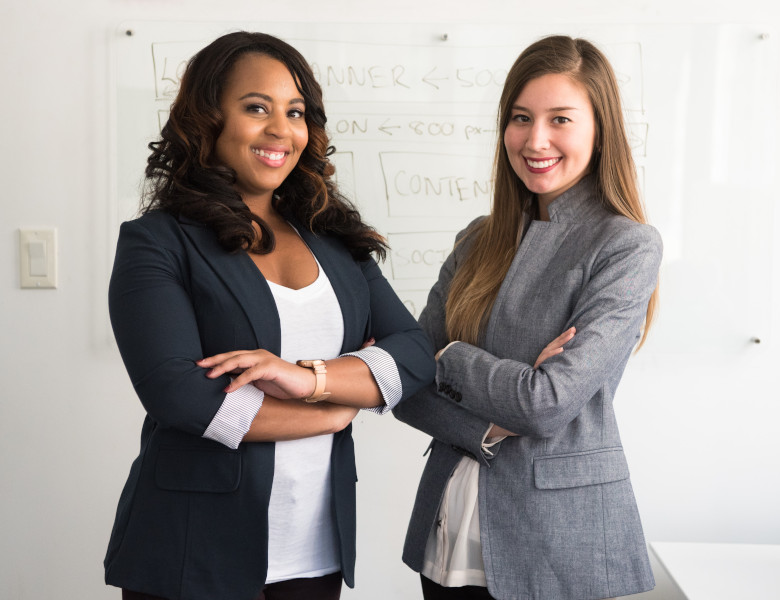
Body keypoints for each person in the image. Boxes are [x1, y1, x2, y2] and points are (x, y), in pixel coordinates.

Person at [102, 31, 435, 600]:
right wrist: (330, 412)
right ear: (209, 119)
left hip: (314, 555)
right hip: (192, 551)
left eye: (295, 111)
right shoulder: (158, 243)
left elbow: (414, 355)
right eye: (257, 107)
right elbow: (179, 395)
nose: (282, 129)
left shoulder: (336, 243)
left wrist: (311, 381)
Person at [393, 35, 662, 600]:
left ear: (599, 128)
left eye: (560, 118)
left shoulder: (626, 246)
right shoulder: (477, 238)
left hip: (557, 544)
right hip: (449, 528)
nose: (535, 139)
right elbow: (406, 384)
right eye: (520, 118)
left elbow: (546, 404)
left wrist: (450, 357)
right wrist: (487, 426)